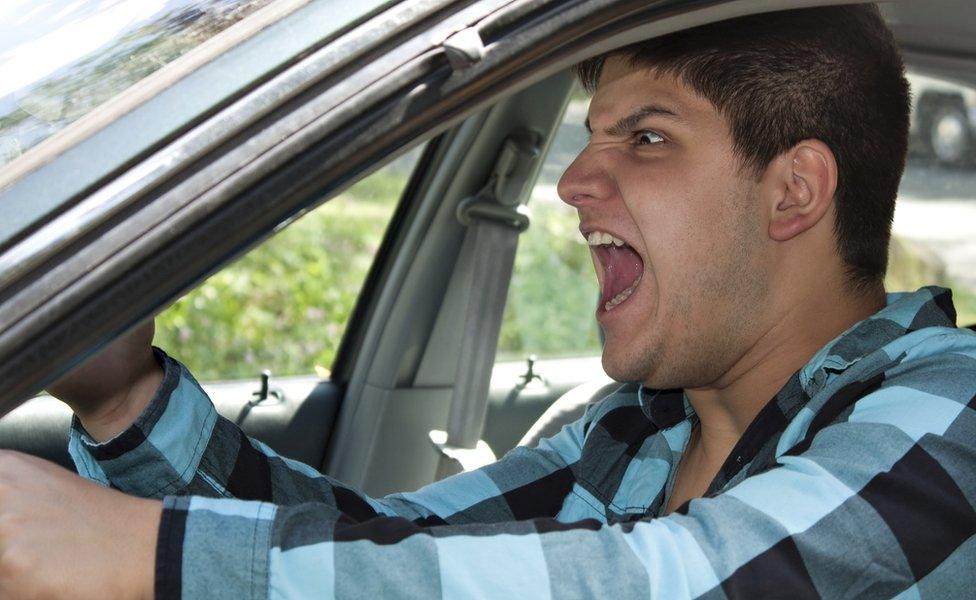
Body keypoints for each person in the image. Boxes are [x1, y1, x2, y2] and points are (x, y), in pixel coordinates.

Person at [1, 3, 973, 598]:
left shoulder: (947, 417)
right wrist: (125, 399)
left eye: (644, 139)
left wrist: (150, 557)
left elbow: (691, 581)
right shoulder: (631, 436)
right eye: (590, 137)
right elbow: (394, 552)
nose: (571, 183)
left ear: (792, 191)